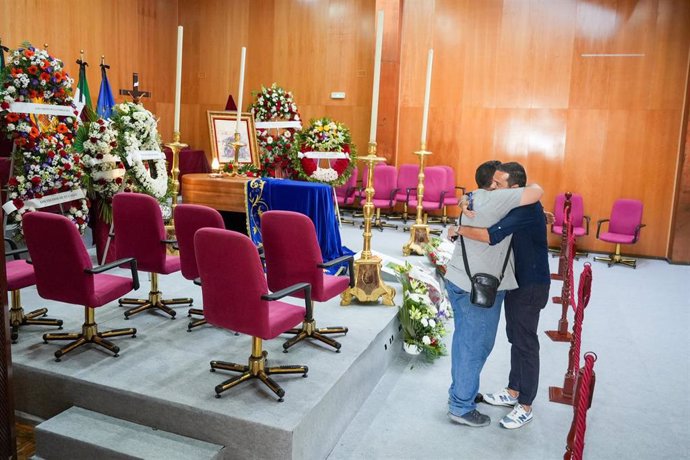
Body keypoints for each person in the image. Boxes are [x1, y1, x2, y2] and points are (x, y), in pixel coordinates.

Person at [444, 161, 543, 428]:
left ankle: (463, 395)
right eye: (495, 183)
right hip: (475, 286)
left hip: (468, 280)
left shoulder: (476, 197)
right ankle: (461, 406)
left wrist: (462, 208)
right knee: (473, 346)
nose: (497, 187)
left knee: (469, 342)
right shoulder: (500, 199)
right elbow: (535, 191)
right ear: (490, 186)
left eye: (502, 184)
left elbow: (529, 196)